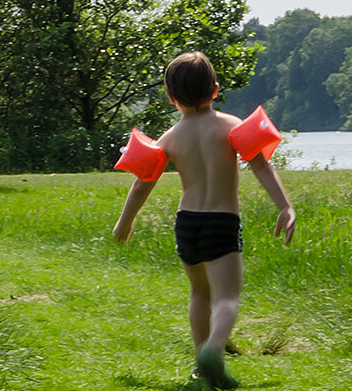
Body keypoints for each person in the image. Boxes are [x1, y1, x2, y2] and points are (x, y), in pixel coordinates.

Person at [112, 51, 296, 389]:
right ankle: (212, 352)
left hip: (187, 224)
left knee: (199, 292)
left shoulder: (169, 138)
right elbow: (261, 166)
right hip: (221, 222)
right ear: (214, 89)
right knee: (227, 298)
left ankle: (201, 371)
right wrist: (285, 206)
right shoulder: (231, 127)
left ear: (171, 97)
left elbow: (143, 182)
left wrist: (125, 221)